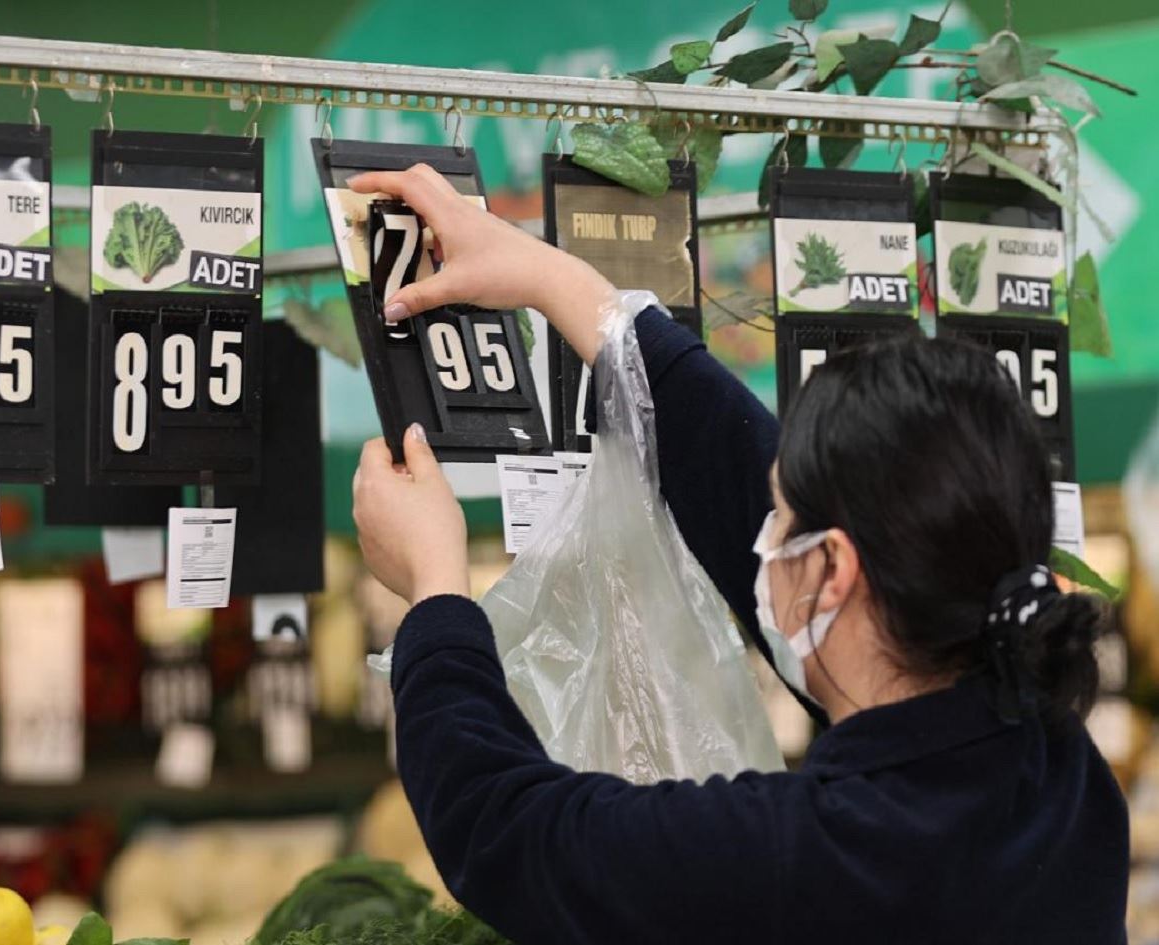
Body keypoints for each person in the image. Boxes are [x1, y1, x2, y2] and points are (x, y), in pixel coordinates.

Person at [348, 164, 1129, 943]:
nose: (763, 538)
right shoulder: (1058, 775)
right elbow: (734, 473)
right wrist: (562, 286)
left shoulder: (806, 857)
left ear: (835, 571)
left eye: (783, 520)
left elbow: (512, 831)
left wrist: (436, 591)